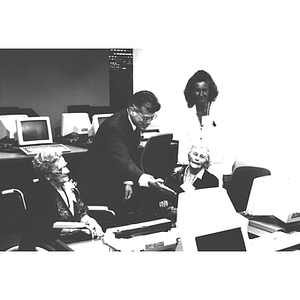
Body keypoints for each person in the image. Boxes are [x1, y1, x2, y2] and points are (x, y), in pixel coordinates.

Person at [75, 90, 176, 215]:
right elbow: (124, 161)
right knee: (102, 220)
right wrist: (149, 181)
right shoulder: (113, 127)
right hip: (95, 183)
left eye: (151, 118)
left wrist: (127, 181)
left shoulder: (132, 122)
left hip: (113, 178)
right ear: (132, 111)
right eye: (145, 118)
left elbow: (129, 154)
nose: (149, 122)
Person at [18, 150, 104, 250]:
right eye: (60, 169)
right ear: (48, 176)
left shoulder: (66, 185)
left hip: (72, 238)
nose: (67, 171)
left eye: (65, 166)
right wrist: (81, 227)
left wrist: (90, 221)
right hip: (47, 243)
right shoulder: (39, 194)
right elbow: (47, 226)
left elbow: (80, 211)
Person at [177, 70, 235, 186]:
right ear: (192, 92)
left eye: (204, 90)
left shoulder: (221, 113)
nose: (201, 94)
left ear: (210, 91)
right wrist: (181, 166)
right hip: (194, 166)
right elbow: (184, 144)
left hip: (216, 166)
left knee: (211, 196)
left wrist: (227, 169)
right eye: (197, 90)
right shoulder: (187, 115)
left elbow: (229, 143)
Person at [159, 144, 219, 214]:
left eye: (202, 157)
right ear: (189, 156)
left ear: (206, 163)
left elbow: (207, 208)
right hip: (169, 216)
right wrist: (164, 202)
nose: (197, 158)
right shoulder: (175, 172)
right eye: (195, 154)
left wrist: (182, 212)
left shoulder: (211, 181)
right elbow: (164, 194)